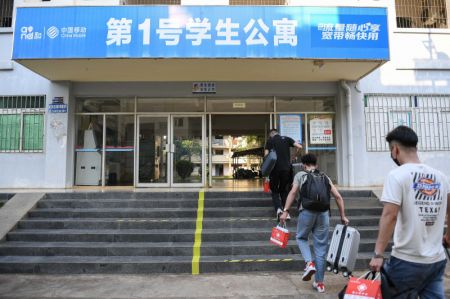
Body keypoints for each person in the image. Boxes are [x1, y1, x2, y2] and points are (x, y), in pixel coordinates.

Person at [369, 125, 450, 299]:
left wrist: (378, 254)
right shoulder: (442, 177)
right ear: (415, 147)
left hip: (407, 261)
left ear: (395, 149)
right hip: (436, 261)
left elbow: (390, 215)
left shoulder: (397, 175)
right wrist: (448, 236)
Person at [280, 153, 349, 293]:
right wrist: (343, 216)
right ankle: (320, 283)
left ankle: (309, 263)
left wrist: (285, 210)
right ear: (316, 165)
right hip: (323, 214)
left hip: (307, 211)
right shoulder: (325, 176)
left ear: (304, 165)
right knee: (321, 249)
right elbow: (338, 196)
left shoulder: (300, 175)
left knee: (301, 237)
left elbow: (293, 193)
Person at [264, 129, 302, 219]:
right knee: (284, 190)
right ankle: (286, 212)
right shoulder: (287, 139)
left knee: (274, 190)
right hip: (286, 169)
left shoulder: (270, 141)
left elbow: (266, 155)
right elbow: (299, 147)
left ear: (271, 135)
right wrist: (294, 155)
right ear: (278, 133)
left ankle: (278, 210)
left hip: (274, 169)